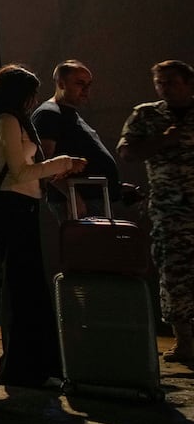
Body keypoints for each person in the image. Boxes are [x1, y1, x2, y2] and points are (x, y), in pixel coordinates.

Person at [0, 64, 87, 389]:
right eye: (29, 93)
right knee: (25, 290)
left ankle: (29, 367)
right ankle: (24, 369)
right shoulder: (6, 122)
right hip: (13, 209)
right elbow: (20, 173)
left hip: (21, 207)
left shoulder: (9, 120)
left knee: (25, 289)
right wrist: (63, 163)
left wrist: (50, 170)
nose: (33, 100)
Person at [117, 59, 194, 366]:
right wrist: (161, 141)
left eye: (172, 82)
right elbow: (126, 151)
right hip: (169, 210)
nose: (164, 88)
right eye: (160, 83)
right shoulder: (147, 115)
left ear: (188, 83)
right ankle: (185, 341)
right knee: (174, 273)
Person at [32, 60, 123, 213]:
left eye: (89, 84)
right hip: (79, 202)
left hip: (91, 198)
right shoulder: (49, 114)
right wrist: (71, 195)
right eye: (80, 83)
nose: (86, 90)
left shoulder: (68, 113)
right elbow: (43, 163)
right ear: (61, 84)